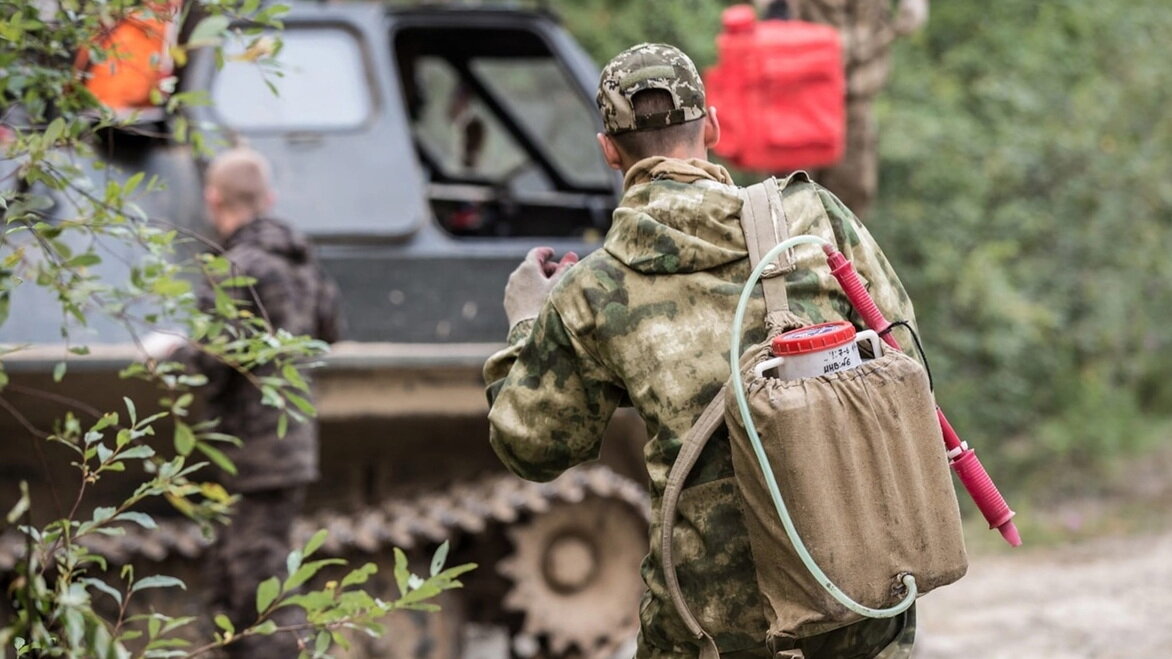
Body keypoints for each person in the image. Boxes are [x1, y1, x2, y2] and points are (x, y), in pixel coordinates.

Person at [483, 43, 919, 657]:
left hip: (710, 632)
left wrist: (527, 322)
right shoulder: (814, 219)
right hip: (862, 609)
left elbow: (532, 447)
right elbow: (903, 357)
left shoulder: (594, 290)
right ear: (712, 126)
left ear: (608, 150)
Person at [179, 147, 342, 657]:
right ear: (267, 198)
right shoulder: (300, 262)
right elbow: (330, 330)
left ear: (213, 199)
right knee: (235, 581)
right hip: (286, 446)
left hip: (252, 451)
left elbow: (210, 359)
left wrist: (174, 357)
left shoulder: (240, 267)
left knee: (258, 590)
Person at [762, 0, 930, 220]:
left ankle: (843, 251)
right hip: (800, 90)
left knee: (851, 194)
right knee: (790, 197)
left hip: (856, 90)